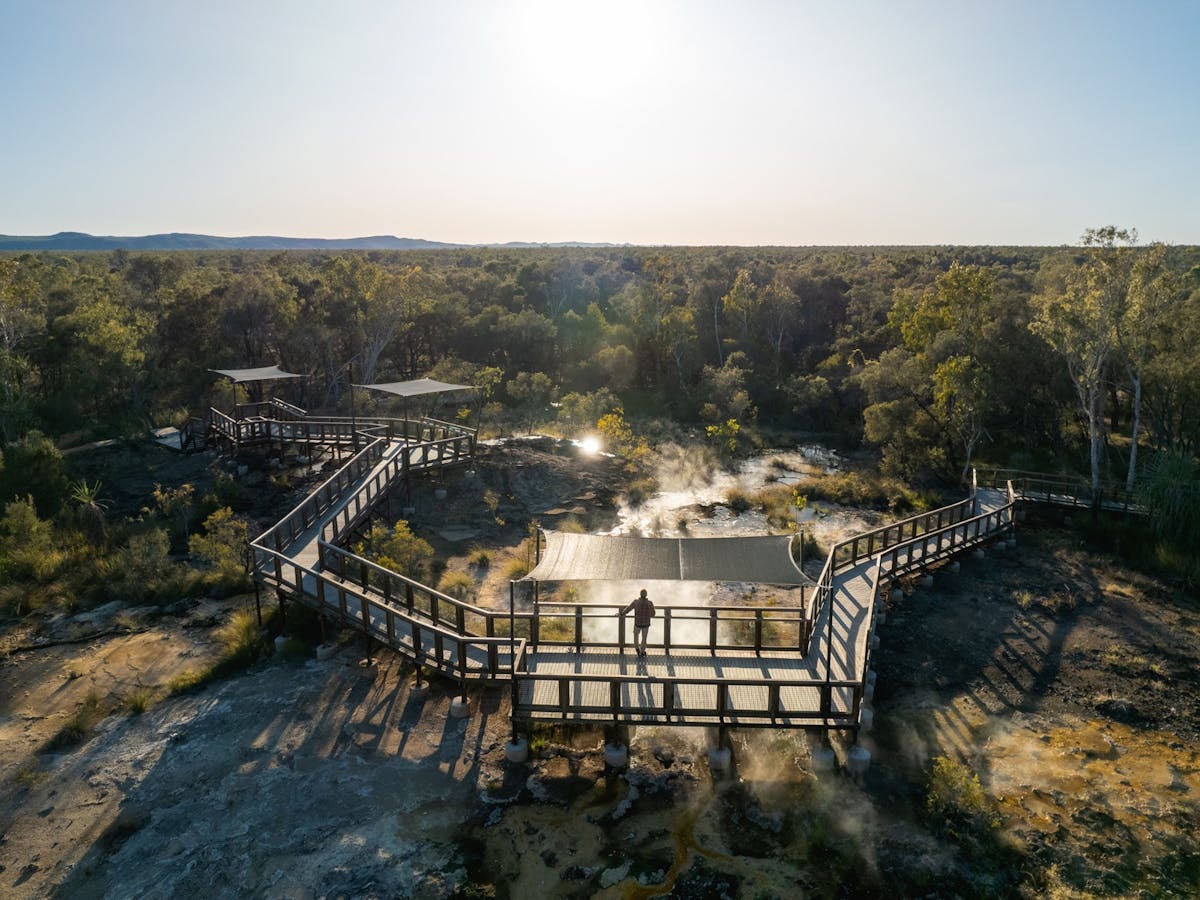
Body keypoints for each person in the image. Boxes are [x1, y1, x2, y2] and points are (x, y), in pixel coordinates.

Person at [618, 588, 655, 657]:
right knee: (644, 638)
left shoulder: (636, 602)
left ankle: (637, 650)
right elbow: (653, 614)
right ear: (646, 595)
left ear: (640, 594)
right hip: (646, 624)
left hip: (637, 623)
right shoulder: (650, 603)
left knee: (636, 636)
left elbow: (628, 609)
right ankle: (642, 652)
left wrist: (621, 613)